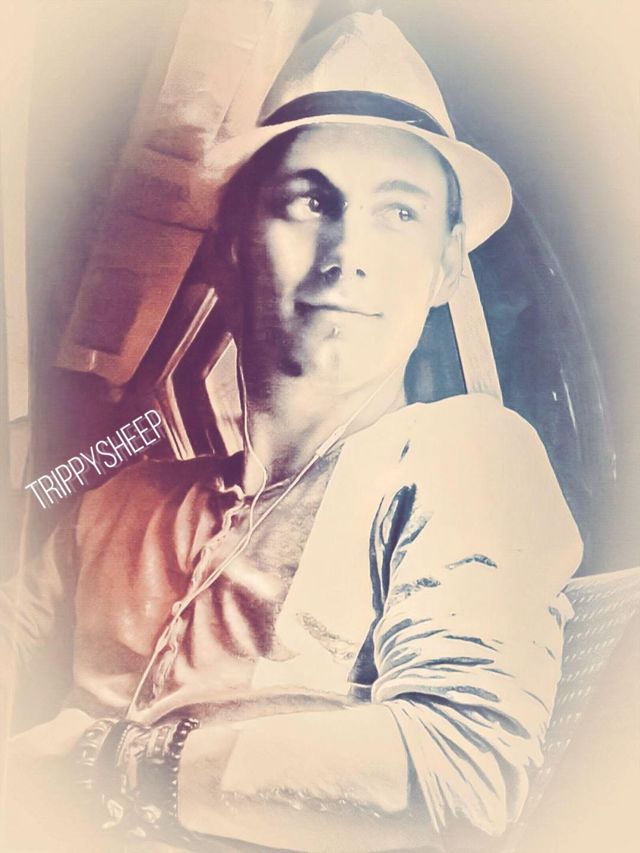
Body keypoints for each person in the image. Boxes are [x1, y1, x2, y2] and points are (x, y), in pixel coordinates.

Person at [2, 11, 583, 853]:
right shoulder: (118, 499)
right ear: (231, 245)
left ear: (447, 265)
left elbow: (462, 771)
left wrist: (116, 763)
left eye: (400, 212)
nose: (347, 252)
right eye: (309, 200)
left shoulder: (464, 459)